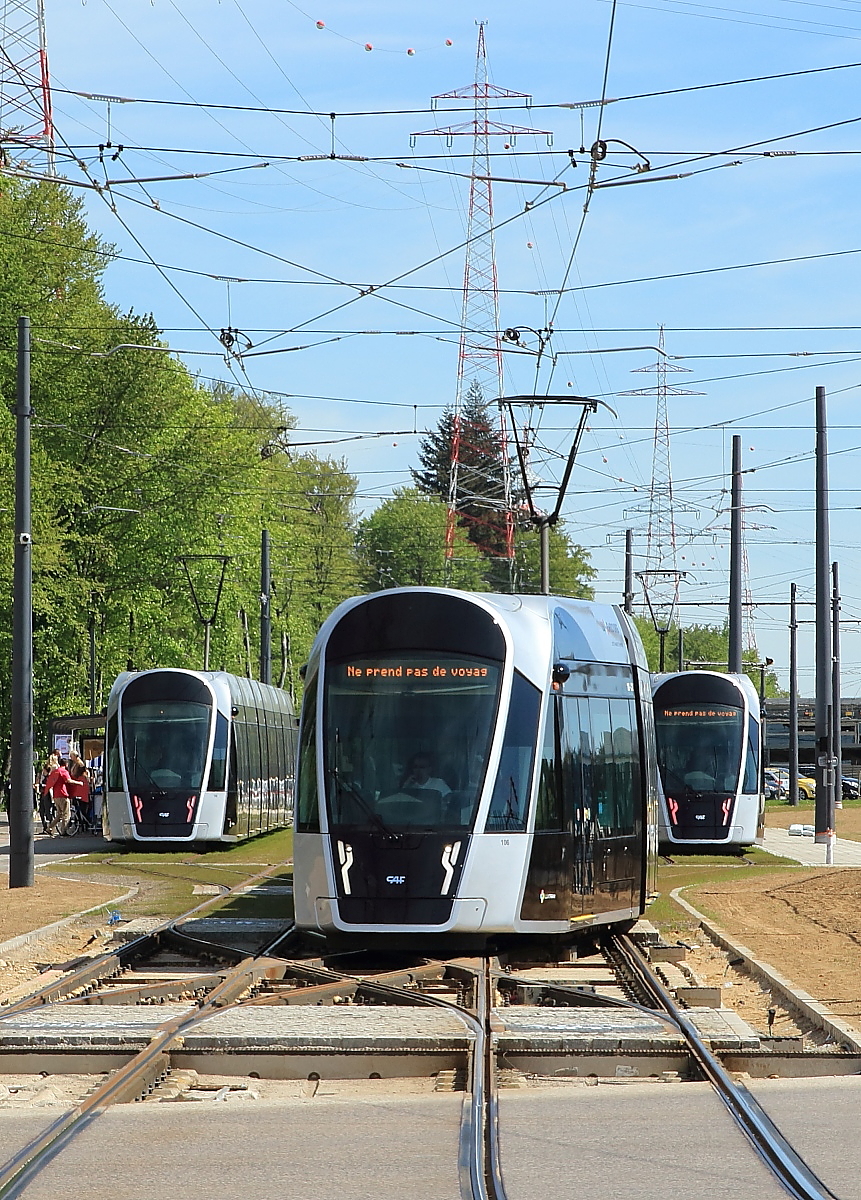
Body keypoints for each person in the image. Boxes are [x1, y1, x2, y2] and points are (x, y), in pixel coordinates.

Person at [42, 757, 72, 836]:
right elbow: (68, 780)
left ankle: (49, 828)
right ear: (66, 764)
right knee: (66, 814)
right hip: (63, 795)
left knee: (59, 814)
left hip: (56, 796)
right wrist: (79, 783)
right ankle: (63, 831)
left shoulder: (55, 772)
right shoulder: (64, 771)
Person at [37, 753, 59, 834]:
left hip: (48, 794)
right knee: (42, 810)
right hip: (44, 793)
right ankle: (46, 827)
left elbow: (50, 784)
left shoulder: (53, 771)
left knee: (48, 810)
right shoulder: (46, 775)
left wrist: (42, 785)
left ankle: (50, 827)